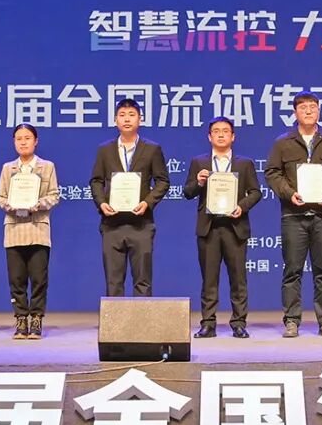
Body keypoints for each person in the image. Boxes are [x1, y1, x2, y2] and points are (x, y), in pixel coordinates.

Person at [264, 91, 322, 338]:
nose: (309, 111)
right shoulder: (283, 142)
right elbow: (272, 173)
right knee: (292, 270)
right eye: (303, 107)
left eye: (313, 107)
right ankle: (292, 321)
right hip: (293, 216)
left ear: (319, 111)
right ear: (295, 113)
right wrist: (288, 193)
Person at [183, 117, 262, 339]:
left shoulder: (244, 163)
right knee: (209, 279)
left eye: (225, 131)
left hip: (235, 227)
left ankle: (239, 323)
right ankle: (208, 324)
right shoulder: (199, 162)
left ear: (233, 136)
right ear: (209, 137)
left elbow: (256, 192)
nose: (220, 134)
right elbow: (187, 192)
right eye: (216, 131)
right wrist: (199, 182)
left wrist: (241, 206)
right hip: (209, 227)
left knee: (238, 279)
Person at [89, 98, 170, 296]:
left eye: (132, 115)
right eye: (122, 115)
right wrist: (102, 203)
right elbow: (96, 181)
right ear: (115, 120)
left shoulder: (152, 149)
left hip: (141, 224)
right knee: (113, 283)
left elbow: (162, 181)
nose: (127, 119)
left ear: (140, 119)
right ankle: (115, 319)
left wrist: (147, 202)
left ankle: (141, 318)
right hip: (112, 224)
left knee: (142, 282)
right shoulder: (105, 150)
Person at [0, 124, 60, 339]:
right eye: (18, 138)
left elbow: (54, 195)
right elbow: (0, 197)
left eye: (27, 138)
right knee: (17, 279)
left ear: (36, 141)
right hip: (14, 229)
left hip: (38, 228)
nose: (23, 142)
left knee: (39, 278)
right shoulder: (8, 169)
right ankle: (21, 318)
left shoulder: (47, 167)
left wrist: (38, 204)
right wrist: (10, 205)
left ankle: (36, 318)